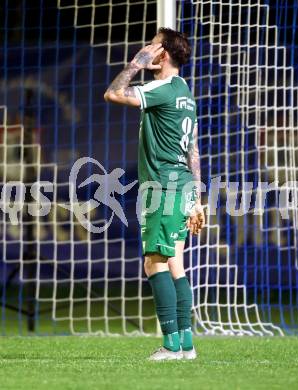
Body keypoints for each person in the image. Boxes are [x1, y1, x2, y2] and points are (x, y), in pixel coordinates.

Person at [104, 28, 205, 361]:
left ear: (162, 54)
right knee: (176, 263)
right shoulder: (184, 91)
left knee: (153, 262)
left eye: (153, 43)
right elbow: (193, 149)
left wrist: (135, 63)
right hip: (182, 186)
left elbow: (113, 93)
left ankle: (171, 345)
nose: (147, 46)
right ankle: (186, 344)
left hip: (162, 185)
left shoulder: (162, 88)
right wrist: (196, 197)